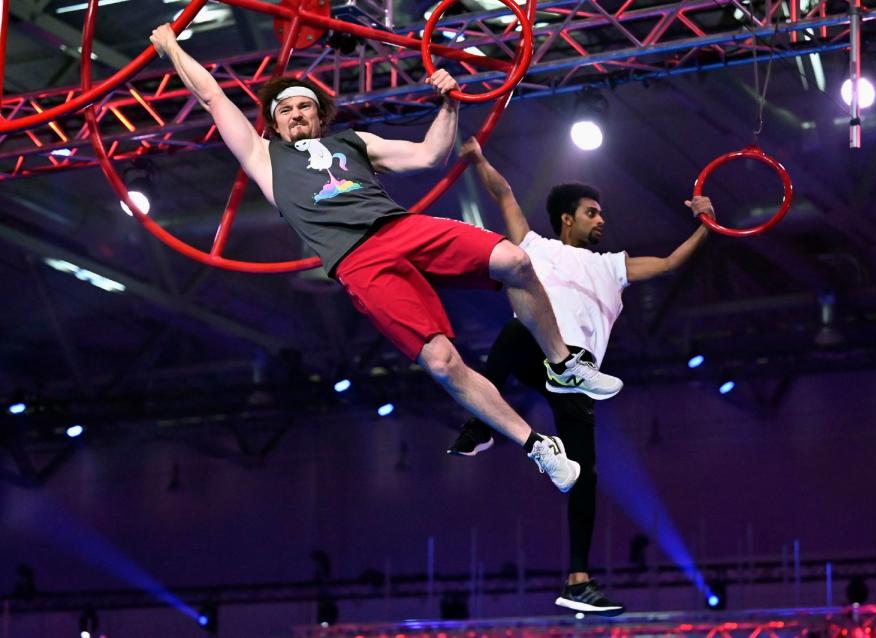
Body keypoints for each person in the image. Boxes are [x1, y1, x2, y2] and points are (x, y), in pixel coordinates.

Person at [148, 25, 624, 491]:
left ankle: (563, 364)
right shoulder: (261, 155)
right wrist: (170, 46)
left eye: (304, 107)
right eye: (286, 109)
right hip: (359, 263)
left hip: (401, 227)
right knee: (440, 361)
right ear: (274, 122)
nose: (296, 114)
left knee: (517, 261)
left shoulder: (353, 143)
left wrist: (449, 102)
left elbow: (429, 156)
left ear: (319, 117)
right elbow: (212, 95)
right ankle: (537, 445)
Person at [448, 137, 715, 615]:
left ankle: (578, 581)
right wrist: (478, 159)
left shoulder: (614, 267)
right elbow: (504, 193)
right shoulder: (538, 247)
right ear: (568, 218)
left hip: (576, 378)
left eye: (602, 213)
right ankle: (481, 423)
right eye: (593, 212)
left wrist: (707, 224)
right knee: (514, 334)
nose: (602, 219)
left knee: (582, 477)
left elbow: (672, 262)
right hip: (540, 350)